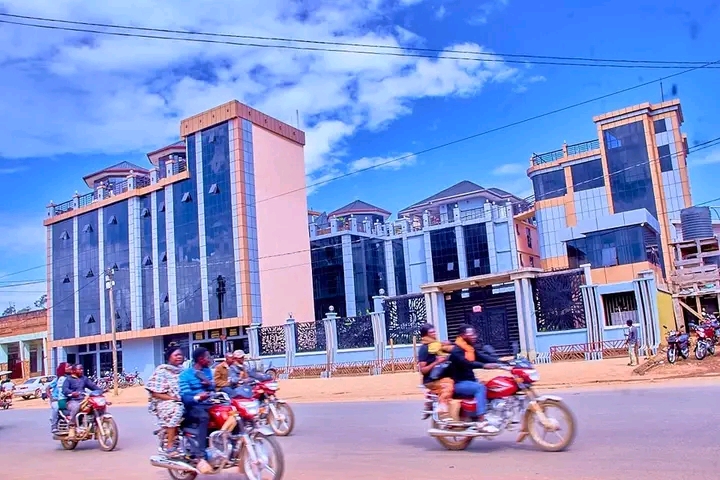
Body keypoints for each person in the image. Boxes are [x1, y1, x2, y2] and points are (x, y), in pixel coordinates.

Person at [447, 324, 500, 434]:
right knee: (480, 388)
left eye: (474, 333)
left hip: (470, 380)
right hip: (459, 383)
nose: (474, 336)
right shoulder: (456, 351)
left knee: (492, 386)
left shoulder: (469, 348)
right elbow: (466, 363)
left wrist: (500, 361)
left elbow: (482, 357)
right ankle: (482, 421)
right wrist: (484, 366)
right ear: (463, 335)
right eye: (471, 334)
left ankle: (490, 413)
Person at [179, 347, 215, 475]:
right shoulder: (185, 375)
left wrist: (209, 384)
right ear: (200, 359)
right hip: (192, 406)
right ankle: (200, 455)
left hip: (207, 403)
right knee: (204, 417)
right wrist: (198, 397)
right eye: (207, 357)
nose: (210, 359)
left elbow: (212, 388)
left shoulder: (207, 371)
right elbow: (185, 396)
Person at [146, 344, 185, 457]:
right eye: (176, 355)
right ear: (169, 357)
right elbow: (155, 392)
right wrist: (173, 398)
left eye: (181, 355)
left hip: (182, 399)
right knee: (177, 409)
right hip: (165, 401)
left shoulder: (184, 371)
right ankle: (170, 446)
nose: (179, 357)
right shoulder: (162, 371)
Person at [417, 324, 454, 420]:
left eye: (434, 331)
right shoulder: (424, 348)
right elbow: (423, 370)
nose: (434, 333)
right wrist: (437, 362)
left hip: (440, 376)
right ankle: (443, 412)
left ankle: (430, 398)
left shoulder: (436, 345)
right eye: (431, 332)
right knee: (449, 386)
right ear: (425, 335)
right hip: (431, 380)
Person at [62, 364, 103, 439]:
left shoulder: (84, 378)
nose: (82, 370)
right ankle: (72, 427)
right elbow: (64, 390)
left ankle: (96, 427)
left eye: (82, 369)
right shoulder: (68, 379)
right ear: (74, 371)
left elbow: (93, 386)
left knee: (96, 406)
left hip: (84, 400)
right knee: (76, 406)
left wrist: (100, 390)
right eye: (79, 369)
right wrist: (72, 393)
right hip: (72, 400)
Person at [47, 362, 70, 434]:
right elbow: (47, 388)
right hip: (56, 399)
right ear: (63, 369)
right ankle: (53, 426)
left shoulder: (70, 378)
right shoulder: (58, 379)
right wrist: (51, 397)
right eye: (67, 367)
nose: (69, 368)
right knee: (56, 407)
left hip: (66, 398)